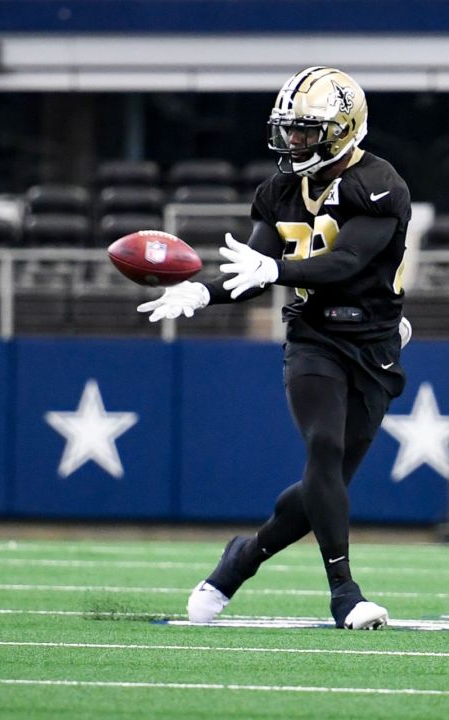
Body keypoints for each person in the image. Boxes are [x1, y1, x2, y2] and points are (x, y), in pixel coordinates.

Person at [137, 66, 412, 630]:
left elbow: (346, 261)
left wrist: (277, 267)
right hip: (313, 336)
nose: (294, 141)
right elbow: (253, 272)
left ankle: (240, 559)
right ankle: (346, 595)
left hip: (375, 343)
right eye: (289, 129)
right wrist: (199, 291)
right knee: (324, 450)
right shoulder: (278, 190)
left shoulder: (379, 183)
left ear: (343, 129)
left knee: (323, 485)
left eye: (307, 130)